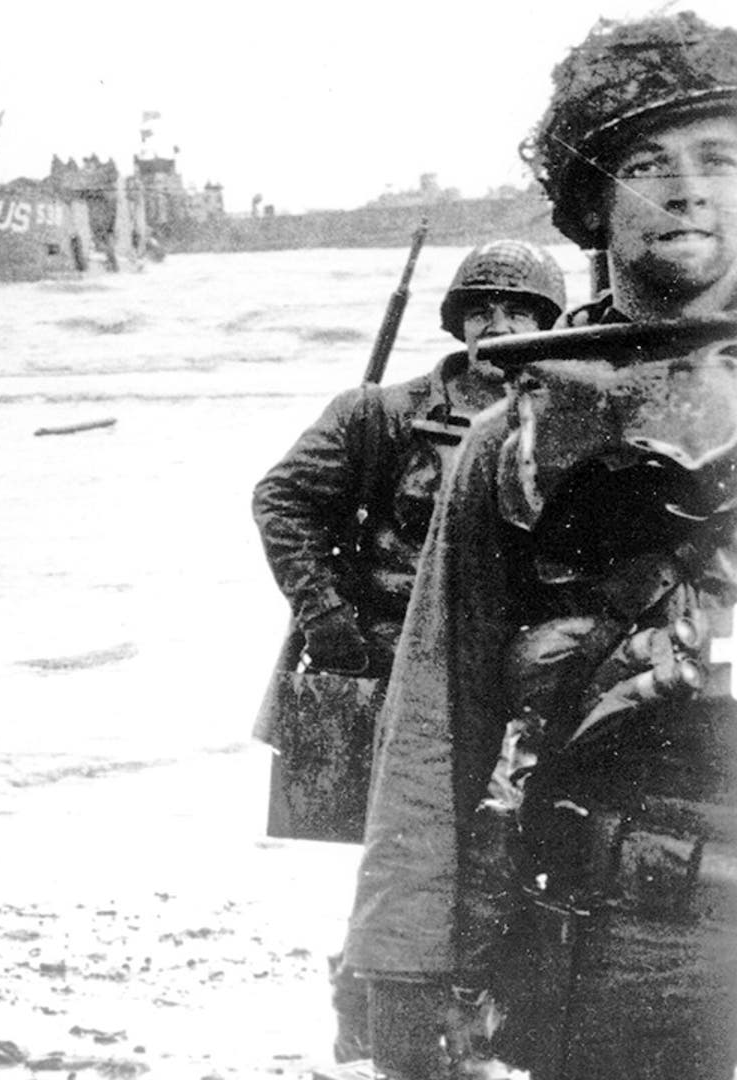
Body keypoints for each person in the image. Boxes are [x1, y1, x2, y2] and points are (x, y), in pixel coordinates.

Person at [344, 13, 737, 1079]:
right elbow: (437, 711)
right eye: (648, 164)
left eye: (720, 158)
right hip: (611, 947)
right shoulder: (512, 438)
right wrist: (403, 956)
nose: (688, 190)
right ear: (593, 204)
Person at [252, 241, 565, 1069]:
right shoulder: (380, 416)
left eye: (519, 311)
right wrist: (326, 618)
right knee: (402, 860)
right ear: (457, 320)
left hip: (511, 669)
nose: (497, 326)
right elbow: (281, 500)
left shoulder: (560, 418)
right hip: (395, 666)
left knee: (500, 845)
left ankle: (472, 1022)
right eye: (482, 309)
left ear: (546, 324)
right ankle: (378, 1020)